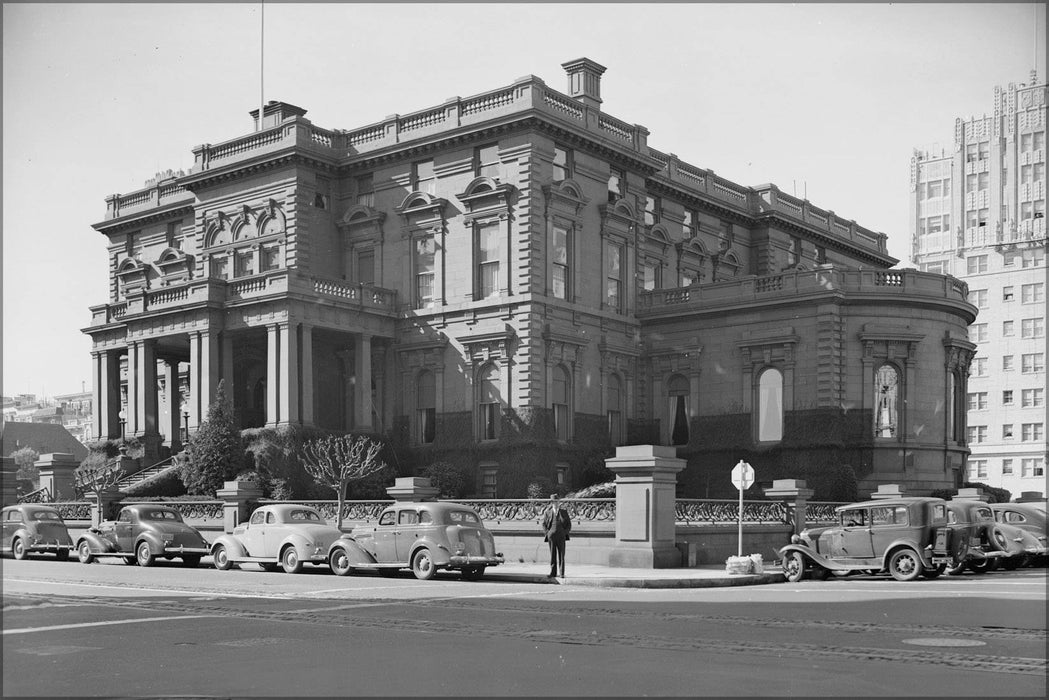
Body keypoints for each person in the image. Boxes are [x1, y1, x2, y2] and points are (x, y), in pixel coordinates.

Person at [542, 493, 571, 579]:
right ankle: (553, 573)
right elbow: (544, 524)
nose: (555, 503)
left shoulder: (564, 512)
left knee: (561, 555)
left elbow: (569, 524)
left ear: (559, 502)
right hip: (552, 536)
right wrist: (547, 533)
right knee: (553, 555)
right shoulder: (548, 512)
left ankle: (562, 573)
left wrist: (565, 532)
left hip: (561, 536)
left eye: (557, 501)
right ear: (551, 503)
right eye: (554, 502)